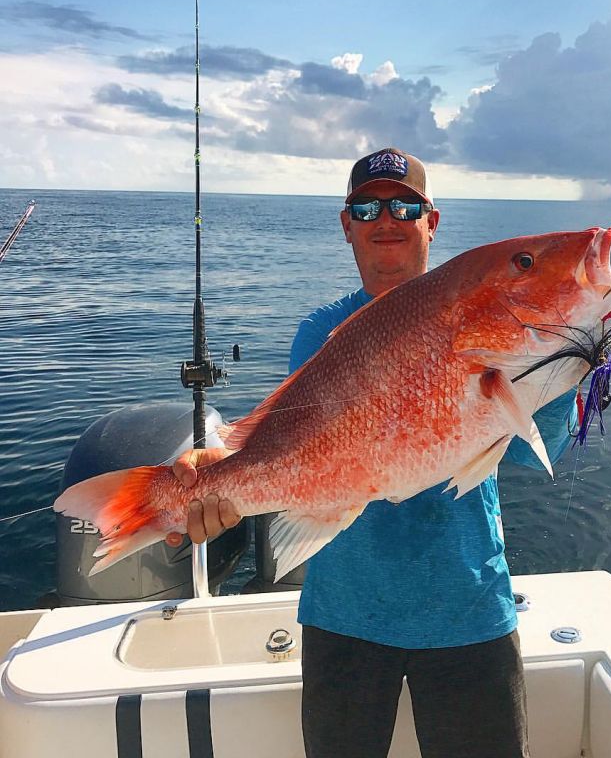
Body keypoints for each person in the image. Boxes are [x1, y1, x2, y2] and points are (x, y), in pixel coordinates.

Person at [167, 148, 576, 758]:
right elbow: (290, 445)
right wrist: (213, 472)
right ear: (347, 225)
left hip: (466, 606)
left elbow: (532, 453)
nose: (386, 218)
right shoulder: (320, 332)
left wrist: (565, 359)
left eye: (404, 204)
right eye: (367, 206)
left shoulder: (491, 325)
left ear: (430, 221)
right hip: (344, 614)